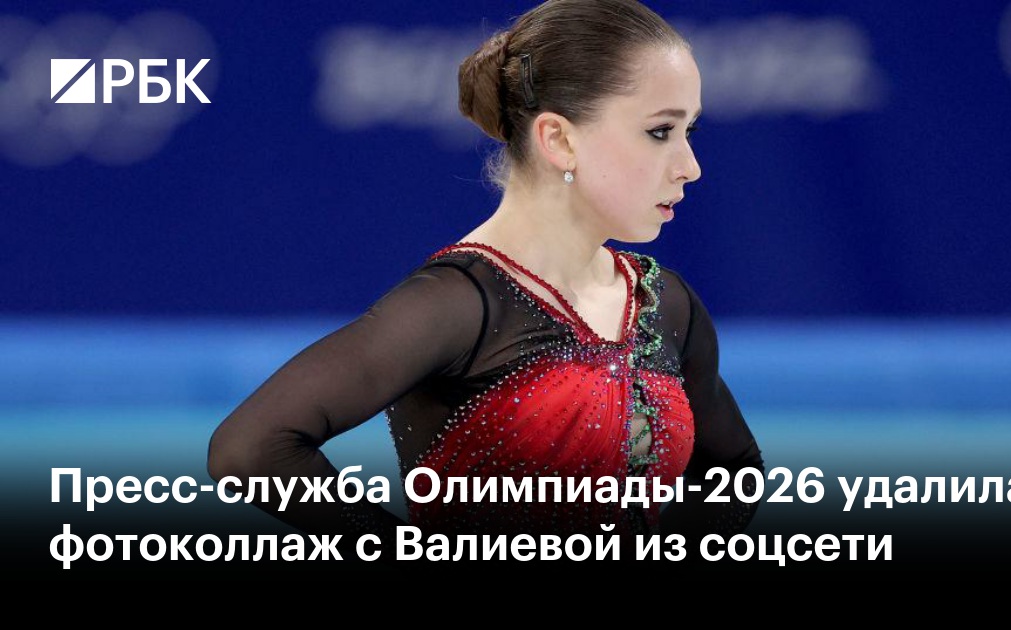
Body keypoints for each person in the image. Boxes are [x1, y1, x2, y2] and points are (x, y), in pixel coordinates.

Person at [207, 0, 763, 565]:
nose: (690, 165)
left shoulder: (663, 303)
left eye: (689, 130)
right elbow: (251, 449)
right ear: (559, 139)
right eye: (660, 131)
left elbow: (735, 470)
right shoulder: (458, 304)